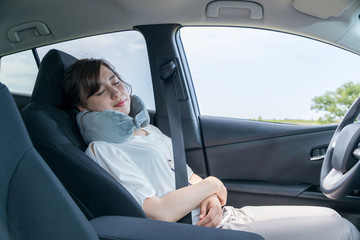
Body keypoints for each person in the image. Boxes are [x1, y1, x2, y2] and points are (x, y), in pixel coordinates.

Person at [63, 58, 360, 240]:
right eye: (100, 91)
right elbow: (156, 212)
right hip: (194, 232)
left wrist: (213, 200)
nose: (116, 92)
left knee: (334, 218)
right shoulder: (104, 149)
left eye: (116, 82)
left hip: (220, 217)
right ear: (82, 106)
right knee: (341, 232)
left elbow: (189, 177)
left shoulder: (148, 130)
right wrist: (213, 184)